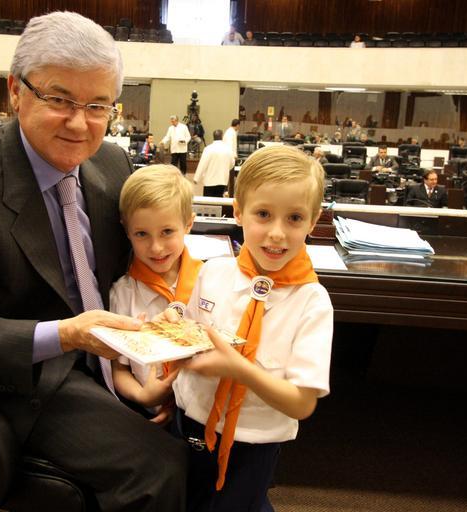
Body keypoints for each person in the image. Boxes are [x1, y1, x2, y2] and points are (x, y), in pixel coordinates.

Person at [0, 12, 188, 512]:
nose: (80, 123)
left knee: (203, 425)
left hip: (108, 363)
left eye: (97, 105)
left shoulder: (110, 163)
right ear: (15, 92)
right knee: (162, 466)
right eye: (59, 99)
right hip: (20, 383)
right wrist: (66, 335)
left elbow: (138, 262)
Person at [171, 144, 333, 512]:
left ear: (313, 221)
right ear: (238, 211)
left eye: (294, 218)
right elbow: (190, 338)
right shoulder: (212, 272)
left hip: (253, 442)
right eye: (263, 214)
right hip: (190, 420)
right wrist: (170, 328)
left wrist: (241, 370)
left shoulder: (312, 302)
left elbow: (302, 403)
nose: (277, 233)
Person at [111, 165, 201, 420]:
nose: (156, 247)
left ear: (188, 223)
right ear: (126, 230)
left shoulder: (209, 283)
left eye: (167, 232)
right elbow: (118, 368)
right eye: (142, 234)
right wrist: (144, 397)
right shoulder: (122, 294)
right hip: (147, 417)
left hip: (203, 416)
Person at [194, 129, 236, 198]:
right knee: (219, 199)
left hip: (209, 181)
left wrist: (197, 178)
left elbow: (202, 164)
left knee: (208, 201)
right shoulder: (228, 149)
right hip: (222, 180)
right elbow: (232, 163)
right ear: (222, 137)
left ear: (213, 137)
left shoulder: (208, 149)